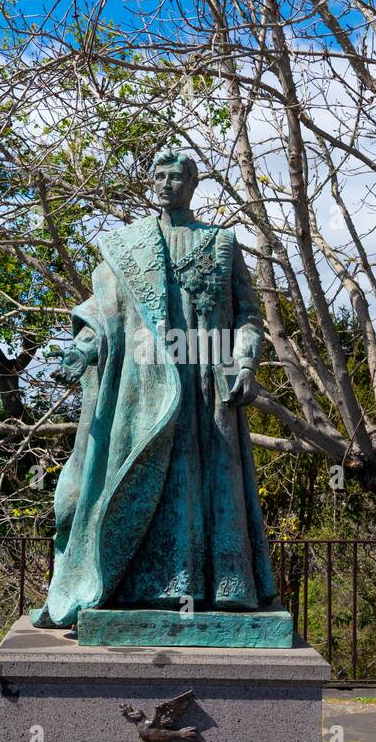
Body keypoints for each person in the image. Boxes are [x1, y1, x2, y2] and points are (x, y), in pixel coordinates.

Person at [44, 145, 278, 627]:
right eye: (159, 177)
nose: (167, 184)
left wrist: (246, 363)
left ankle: (214, 590)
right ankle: (132, 588)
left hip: (207, 385)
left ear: (193, 185)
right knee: (141, 476)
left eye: (177, 177)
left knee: (204, 484)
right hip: (144, 386)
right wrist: (82, 351)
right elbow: (102, 315)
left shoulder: (223, 242)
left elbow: (248, 316)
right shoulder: (125, 246)